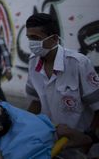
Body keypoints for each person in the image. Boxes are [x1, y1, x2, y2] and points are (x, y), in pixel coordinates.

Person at [25, 13, 99, 158]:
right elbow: (35, 103)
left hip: (81, 149)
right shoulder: (33, 62)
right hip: (50, 146)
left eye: (36, 38)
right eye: (29, 38)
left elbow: (98, 108)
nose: (31, 43)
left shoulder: (78, 63)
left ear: (53, 39)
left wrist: (87, 141)